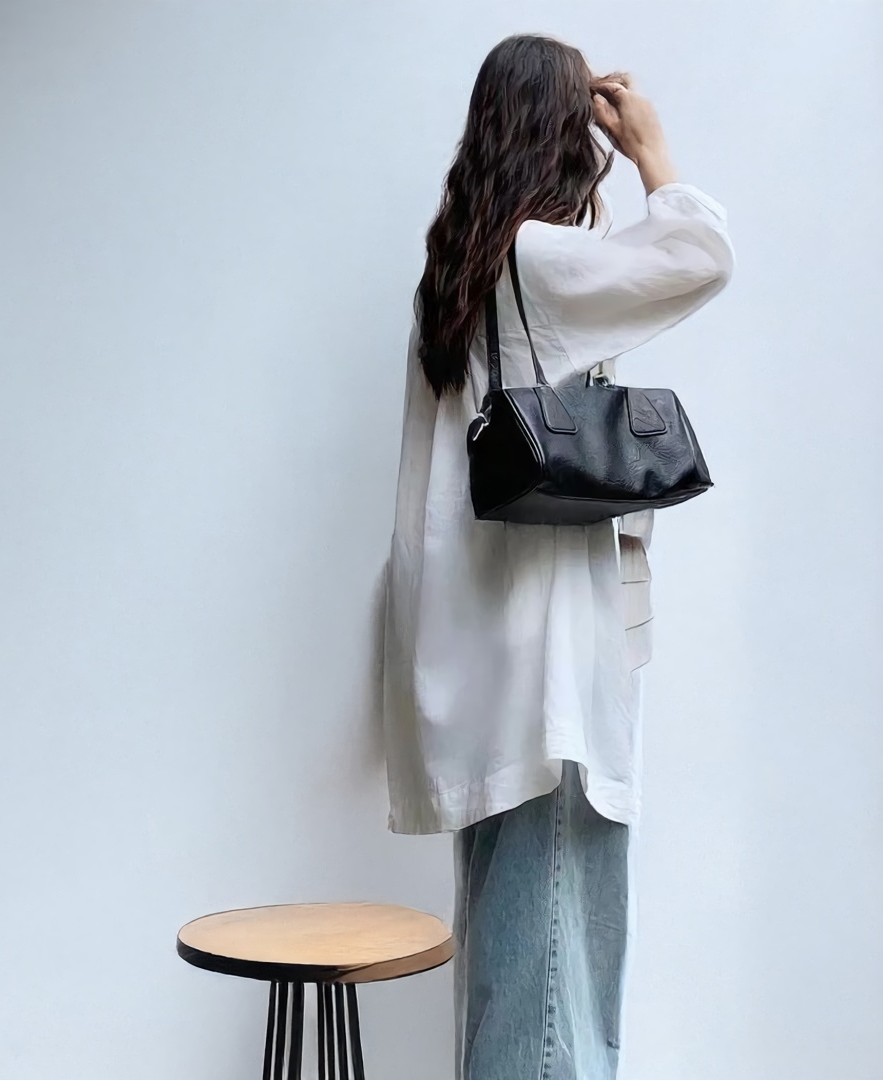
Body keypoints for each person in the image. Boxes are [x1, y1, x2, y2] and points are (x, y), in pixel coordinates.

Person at [381, 34, 735, 1080]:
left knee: (518, 962)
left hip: (485, 660)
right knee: (550, 975)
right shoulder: (538, 260)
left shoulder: (461, 272)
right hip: (549, 674)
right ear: (562, 135)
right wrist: (653, 151)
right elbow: (701, 255)